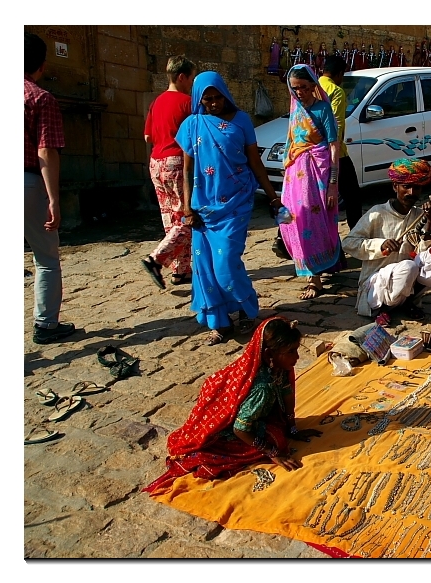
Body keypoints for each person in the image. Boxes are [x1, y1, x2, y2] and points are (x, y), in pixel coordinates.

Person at [143, 317, 323, 494]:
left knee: (280, 432)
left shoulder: (280, 369)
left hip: (252, 416)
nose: (297, 357)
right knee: (277, 440)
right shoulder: (262, 388)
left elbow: (287, 399)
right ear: (269, 354)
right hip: (231, 429)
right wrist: (272, 452)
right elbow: (240, 428)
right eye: (291, 351)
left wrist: (293, 429)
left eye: (296, 349)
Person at [177, 71, 279, 346]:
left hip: (236, 202)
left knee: (226, 264)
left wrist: (272, 196)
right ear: (199, 99)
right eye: (207, 99)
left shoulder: (242, 120)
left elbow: (254, 162)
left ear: (225, 95)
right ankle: (219, 322)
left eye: (217, 97)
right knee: (206, 268)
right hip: (202, 208)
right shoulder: (192, 125)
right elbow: (186, 170)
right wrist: (186, 206)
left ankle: (247, 308)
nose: (213, 103)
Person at [341, 158, 431, 323]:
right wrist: (380, 244)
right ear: (395, 186)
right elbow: (348, 243)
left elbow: (425, 255)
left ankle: (407, 301)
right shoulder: (377, 213)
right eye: (406, 187)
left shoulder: (420, 215)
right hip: (376, 285)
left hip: (408, 279)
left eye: (417, 188)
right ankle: (382, 309)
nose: (411, 193)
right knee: (408, 266)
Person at [25, 33, 78, 345]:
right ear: (42, 65)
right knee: (45, 258)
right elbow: (46, 151)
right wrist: (54, 200)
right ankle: (46, 324)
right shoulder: (39, 98)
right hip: (27, 182)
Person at [278, 64, 345, 300]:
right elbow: (292, 144)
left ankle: (314, 278)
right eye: (295, 89)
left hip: (318, 174)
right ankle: (315, 266)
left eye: (304, 88)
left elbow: (333, 145)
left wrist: (333, 182)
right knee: (293, 220)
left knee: (313, 220)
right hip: (295, 176)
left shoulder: (323, 109)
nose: (299, 93)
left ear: (313, 86)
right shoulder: (296, 111)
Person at [141, 55, 197, 290]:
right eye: (192, 79)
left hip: (156, 161)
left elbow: (147, 137)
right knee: (188, 218)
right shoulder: (187, 102)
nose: (192, 84)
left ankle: (181, 270)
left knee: (170, 219)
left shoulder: (157, 102)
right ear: (182, 77)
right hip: (177, 161)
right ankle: (156, 259)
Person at [319, 55, 363, 231]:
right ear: (339, 74)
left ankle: (282, 238)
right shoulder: (335, 91)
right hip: (336, 153)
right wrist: (335, 153)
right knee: (352, 195)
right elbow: (336, 125)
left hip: (314, 151)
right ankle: (357, 234)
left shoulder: (312, 87)